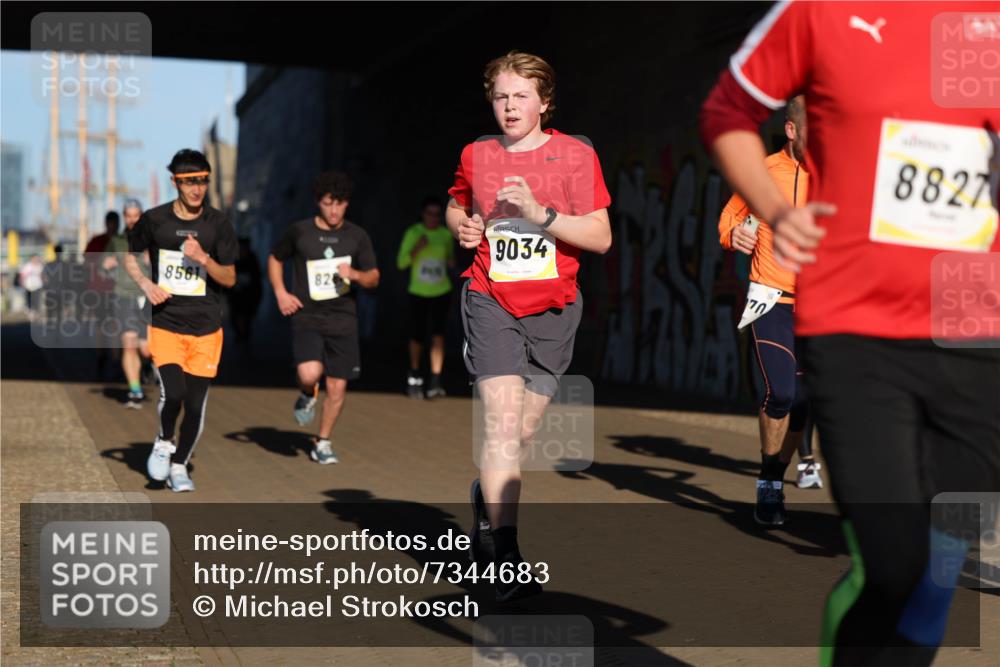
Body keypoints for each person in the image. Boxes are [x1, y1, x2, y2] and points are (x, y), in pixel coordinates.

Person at [702, 2, 999, 664]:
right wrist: (776, 209)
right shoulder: (821, 12)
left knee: (939, 567)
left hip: (973, 333)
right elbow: (727, 111)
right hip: (855, 327)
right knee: (892, 564)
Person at [447, 51, 612, 602]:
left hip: (554, 307)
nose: (510, 106)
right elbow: (455, 205)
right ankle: (507, 559)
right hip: (490, 298)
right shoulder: (476, 154)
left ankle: (485, 504)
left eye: (521, 96)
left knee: (518, 435)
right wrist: (464, 226)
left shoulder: (575, 155)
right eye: (500, 96)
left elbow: (601, 237)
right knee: (500, 426)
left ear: (544, 101)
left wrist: (541, 215)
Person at [718, 95, 820, 527]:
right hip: (772, 297)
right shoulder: (763, 171)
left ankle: (775, 481)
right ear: (792, 131)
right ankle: (768, 479)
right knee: (780, 392)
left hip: (821, 305)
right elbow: (729, 220)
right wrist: (733, 237)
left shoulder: (838, 175)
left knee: (803, 399)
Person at [125, 149, 238, 492]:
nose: (196, 188)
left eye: (202, 181)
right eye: (189, 181)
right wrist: (146, 284)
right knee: (173, 393)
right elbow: (130, 256)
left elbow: (230, 278)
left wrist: (204, 258)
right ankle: (163, 439)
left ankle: (179, 465)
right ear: (174, 181)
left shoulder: (218, 224)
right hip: (167, 323)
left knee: (194, 403)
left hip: (206, 327)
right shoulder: (155, 220)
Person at [268, 171, 380, 465]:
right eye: (328, 203)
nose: (334, 210)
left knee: (338, 386)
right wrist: (281, 293)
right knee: (309, 374)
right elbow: (275, 258)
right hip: (308, 316)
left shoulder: (357, 236)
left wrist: (354, 274)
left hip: (343, 318)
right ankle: (307, 393)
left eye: (340, 204)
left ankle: (323, 441)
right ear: (318, 202)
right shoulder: (300, 231)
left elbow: (373, 277)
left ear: (347, 204)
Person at [397, 195, 456, 399]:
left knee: (438, 335)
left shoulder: (445, 235)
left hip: (440, 291)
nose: (433, 218)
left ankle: (435, 379)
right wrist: (417, 249)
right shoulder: (413, 233)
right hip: (418, 292)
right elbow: (401, 263)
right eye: (429, 214)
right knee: (417, 335)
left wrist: (450, 263)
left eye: (437, 215)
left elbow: (450, 260)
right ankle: (414, 374)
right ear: (423, 214)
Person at [104, 198, 153, 408]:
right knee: (129, 346)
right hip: (124, 296)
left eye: (136, 215)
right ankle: (135, 392)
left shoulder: (153, 239)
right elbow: (101, 265)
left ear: (141, 215)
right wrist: (107, 265)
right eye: (129, 216)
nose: (132, 220)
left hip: (149, 296)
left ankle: (148, 367)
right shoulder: (117, 241)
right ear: (124, 217)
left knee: (147, 350)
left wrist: (153, 261)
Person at [86, 211, 122, 377]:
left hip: (113, 290)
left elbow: (87, 262)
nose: (113, 227)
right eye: (112, 223)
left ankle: (109, 358)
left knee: (109, 325)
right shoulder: (99, 241)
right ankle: (107, 358)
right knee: (106, 325)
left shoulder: (98, 241)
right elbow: (88, 262)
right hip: (103, 290)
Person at [227, 237, 263, 347]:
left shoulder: (252, 259)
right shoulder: (233, 259)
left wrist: (257, 296)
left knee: (247, 317)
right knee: (234, 317)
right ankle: (239, 334)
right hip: (235, 295)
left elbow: (257, 278)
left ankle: (245, 337)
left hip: (249, 295)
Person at [18, 255, 44, 321]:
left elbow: (42, 276)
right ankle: (31, 314)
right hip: (28, 286)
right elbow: (22, 275)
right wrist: (22, 283)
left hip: (37, 286)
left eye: (37, 259)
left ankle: (36, 314)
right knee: (29, 301)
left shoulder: (40, 266)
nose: (36, 260)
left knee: (37, 301)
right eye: (34, 258)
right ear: (31, 259)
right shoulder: (27, 266)